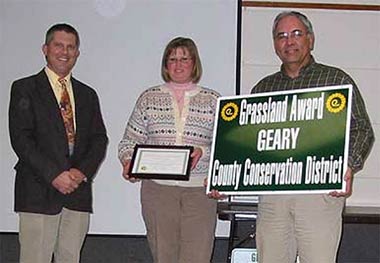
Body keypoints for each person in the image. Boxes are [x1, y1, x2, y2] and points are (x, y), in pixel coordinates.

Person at [250, 11, 375, 263]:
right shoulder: (262, 89)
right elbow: (250, 143)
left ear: (310, 39)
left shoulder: (336, 80)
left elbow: (362, 128)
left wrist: (348, 166)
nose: (289, 41)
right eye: (281, 36)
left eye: (297, 34)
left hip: (319, 191)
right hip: (273, 194)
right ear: (275, 44)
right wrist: (227, 175)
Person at [8, 23, 108, 263]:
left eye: (71, 47)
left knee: (70, 258)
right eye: (58, 45)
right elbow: (21, 139)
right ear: (45, 49)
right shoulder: (24, 88)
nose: (65, 52)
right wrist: (55, 175)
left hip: (77, 192)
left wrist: (79, 172)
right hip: (37, 191)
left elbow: (99, 138)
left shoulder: (87, 94)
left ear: (77, 53)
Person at [118, 37, 220, 263]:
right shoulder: (148, 97)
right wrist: (129, 162)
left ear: (194, 63)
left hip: (199, 193)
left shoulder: (213, 100)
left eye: (184, 58)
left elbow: (225, 150)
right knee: (164, 257)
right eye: (172, 59)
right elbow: (128, 141)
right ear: (165, 65)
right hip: (158, 192)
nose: (178, 64)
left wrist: (203, 152)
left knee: (198, 257)